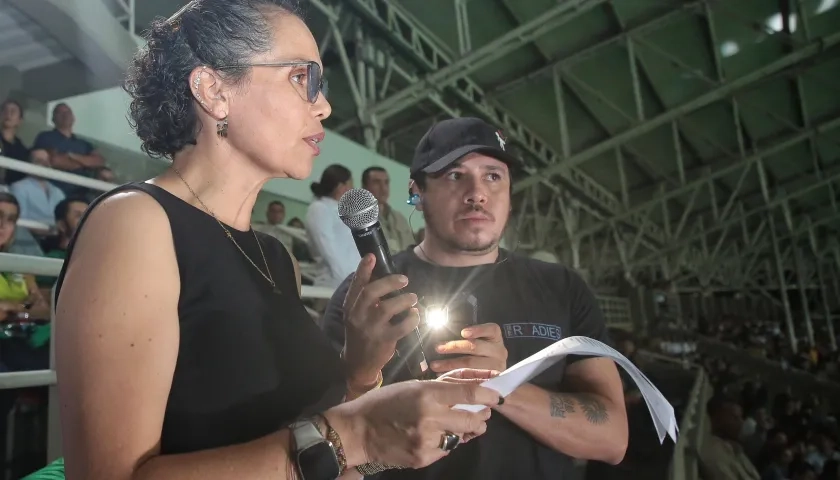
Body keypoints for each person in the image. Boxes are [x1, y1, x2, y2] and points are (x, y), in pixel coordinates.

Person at [53, 2, 501, 479]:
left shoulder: (275, 256)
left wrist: (361, 371)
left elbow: (298, 437)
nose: (324, 105)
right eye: (301, 77)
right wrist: (355, 433)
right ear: (214, 90)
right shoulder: (135, 225)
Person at [321, 117, 629, 479]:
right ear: (416, 192)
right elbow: (321, 445)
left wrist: (499, 387)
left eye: (493, 176)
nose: (477, 193)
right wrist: (360, 373)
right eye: (455, 175)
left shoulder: (561, 287)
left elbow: (612, 439)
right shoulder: (366, 297)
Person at [305, 164, 359, 287]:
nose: (353, 189)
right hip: (335, 282)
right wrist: (347, 280)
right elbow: (327, 250)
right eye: (351, 185)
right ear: (341, 187)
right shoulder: (319, 208)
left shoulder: (345, 211)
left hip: (354, 280)